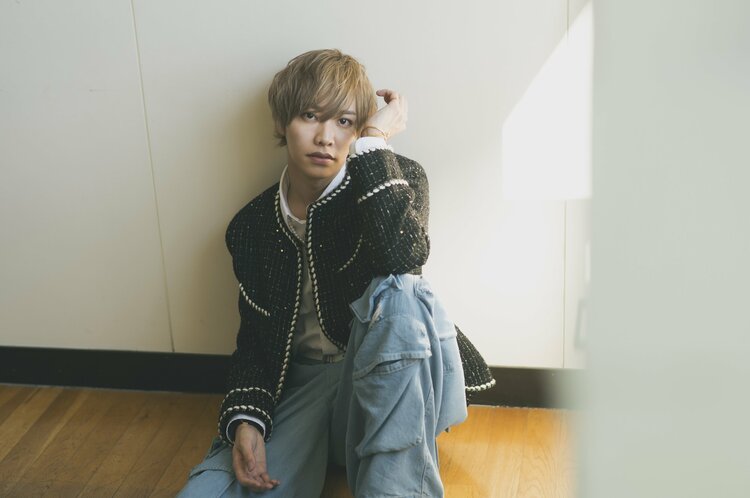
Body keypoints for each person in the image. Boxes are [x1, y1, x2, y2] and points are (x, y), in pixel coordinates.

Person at [178, 48, 494, 498]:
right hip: (301, 387)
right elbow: (255, 340)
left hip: (387, 373)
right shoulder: (252, 226)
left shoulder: (397, 176)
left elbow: (405, 261)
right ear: (283, 122)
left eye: (345, 122)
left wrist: (374, 143)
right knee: (208, 493)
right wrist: (246, 419)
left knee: (401, 292)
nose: (326, 137)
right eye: (310, 116)